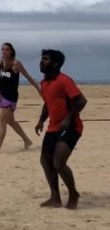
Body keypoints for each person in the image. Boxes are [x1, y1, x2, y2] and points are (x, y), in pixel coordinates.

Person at [35, 49, 87, 210]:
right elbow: (47, 103)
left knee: (58, 162)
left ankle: (73, 194)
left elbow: (81, 101)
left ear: (55, 63)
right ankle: (55, 197)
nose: (41, 62)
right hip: (53, 127)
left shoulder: (64, 80)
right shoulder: (44, 83)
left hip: (71, 127)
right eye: (41, 59)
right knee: (45, 160)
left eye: (45, 59)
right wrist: (41, 121)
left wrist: (68, 118)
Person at [0, 42, 41, 154]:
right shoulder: (0, 62)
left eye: (7, 49)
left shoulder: (16, 64)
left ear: (11, 51)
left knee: (2, 120)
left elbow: (28, 77)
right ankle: (27, 141)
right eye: (3, 49)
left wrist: (39, 89)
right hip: (3, 95)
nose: (4, 51)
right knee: (11, 121)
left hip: (11, 97)